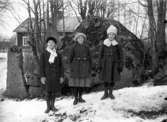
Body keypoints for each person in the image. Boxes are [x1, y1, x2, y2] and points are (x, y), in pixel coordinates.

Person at [98, 25, 123, 100]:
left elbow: (121, 55)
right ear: (108, 35)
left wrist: (120, 65)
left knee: (112, 79)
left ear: (115, 35)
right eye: (110, 34)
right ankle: (105, 93)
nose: (111, 36)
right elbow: (100, 55)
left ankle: (111, 93)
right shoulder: (104, 43)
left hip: (114, 65)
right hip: (105, 64)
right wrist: (100, 64)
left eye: (113, 34)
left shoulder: (117, 45)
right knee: (105, 79)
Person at [40, 37, 64, 113]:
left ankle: (53, 106)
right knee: (47, 92)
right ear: (47, 44)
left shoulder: (58, 54)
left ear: (55, 44)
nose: (51, 44)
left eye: (52, 42)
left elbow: (61, 66)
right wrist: (42, 76)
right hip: (47, 76)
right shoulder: (43, 53)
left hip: (55, 76)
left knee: (53, 91)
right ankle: (48, 107)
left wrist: (61, 76)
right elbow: (41, 66)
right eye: (49, 42)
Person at [69, 32, 92, 105]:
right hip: (76, 66)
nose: (80, 39)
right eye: (79, 38)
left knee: (81, 83)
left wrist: (89, 67)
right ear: (76, 39)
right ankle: (76, 98)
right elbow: (70, 58)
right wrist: (71, 67)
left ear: (84, 39)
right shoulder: (73, 47)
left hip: (84, 66)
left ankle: (80, 97)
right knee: (76, 84)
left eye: (82, 38)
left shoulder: (86, 47)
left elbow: (89, 58)